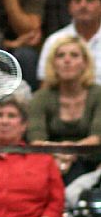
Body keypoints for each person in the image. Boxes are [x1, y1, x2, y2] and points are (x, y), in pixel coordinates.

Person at [29, 35, 101, 184]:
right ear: (53, 64)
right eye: (61, 56)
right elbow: (36, 140)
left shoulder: (98, 94)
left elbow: (97, 138)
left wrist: (68, 152)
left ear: (85, 63)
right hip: (50, 161)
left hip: (92, 162)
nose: (67, 60)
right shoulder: (41, 97)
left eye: (74, 55)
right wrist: (61, 153)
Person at [38, 0, 101, 86]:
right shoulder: (54, 40)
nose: (83, 5)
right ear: (69, 7)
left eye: (90, 0)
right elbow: (46, 85)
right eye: (77, 0)